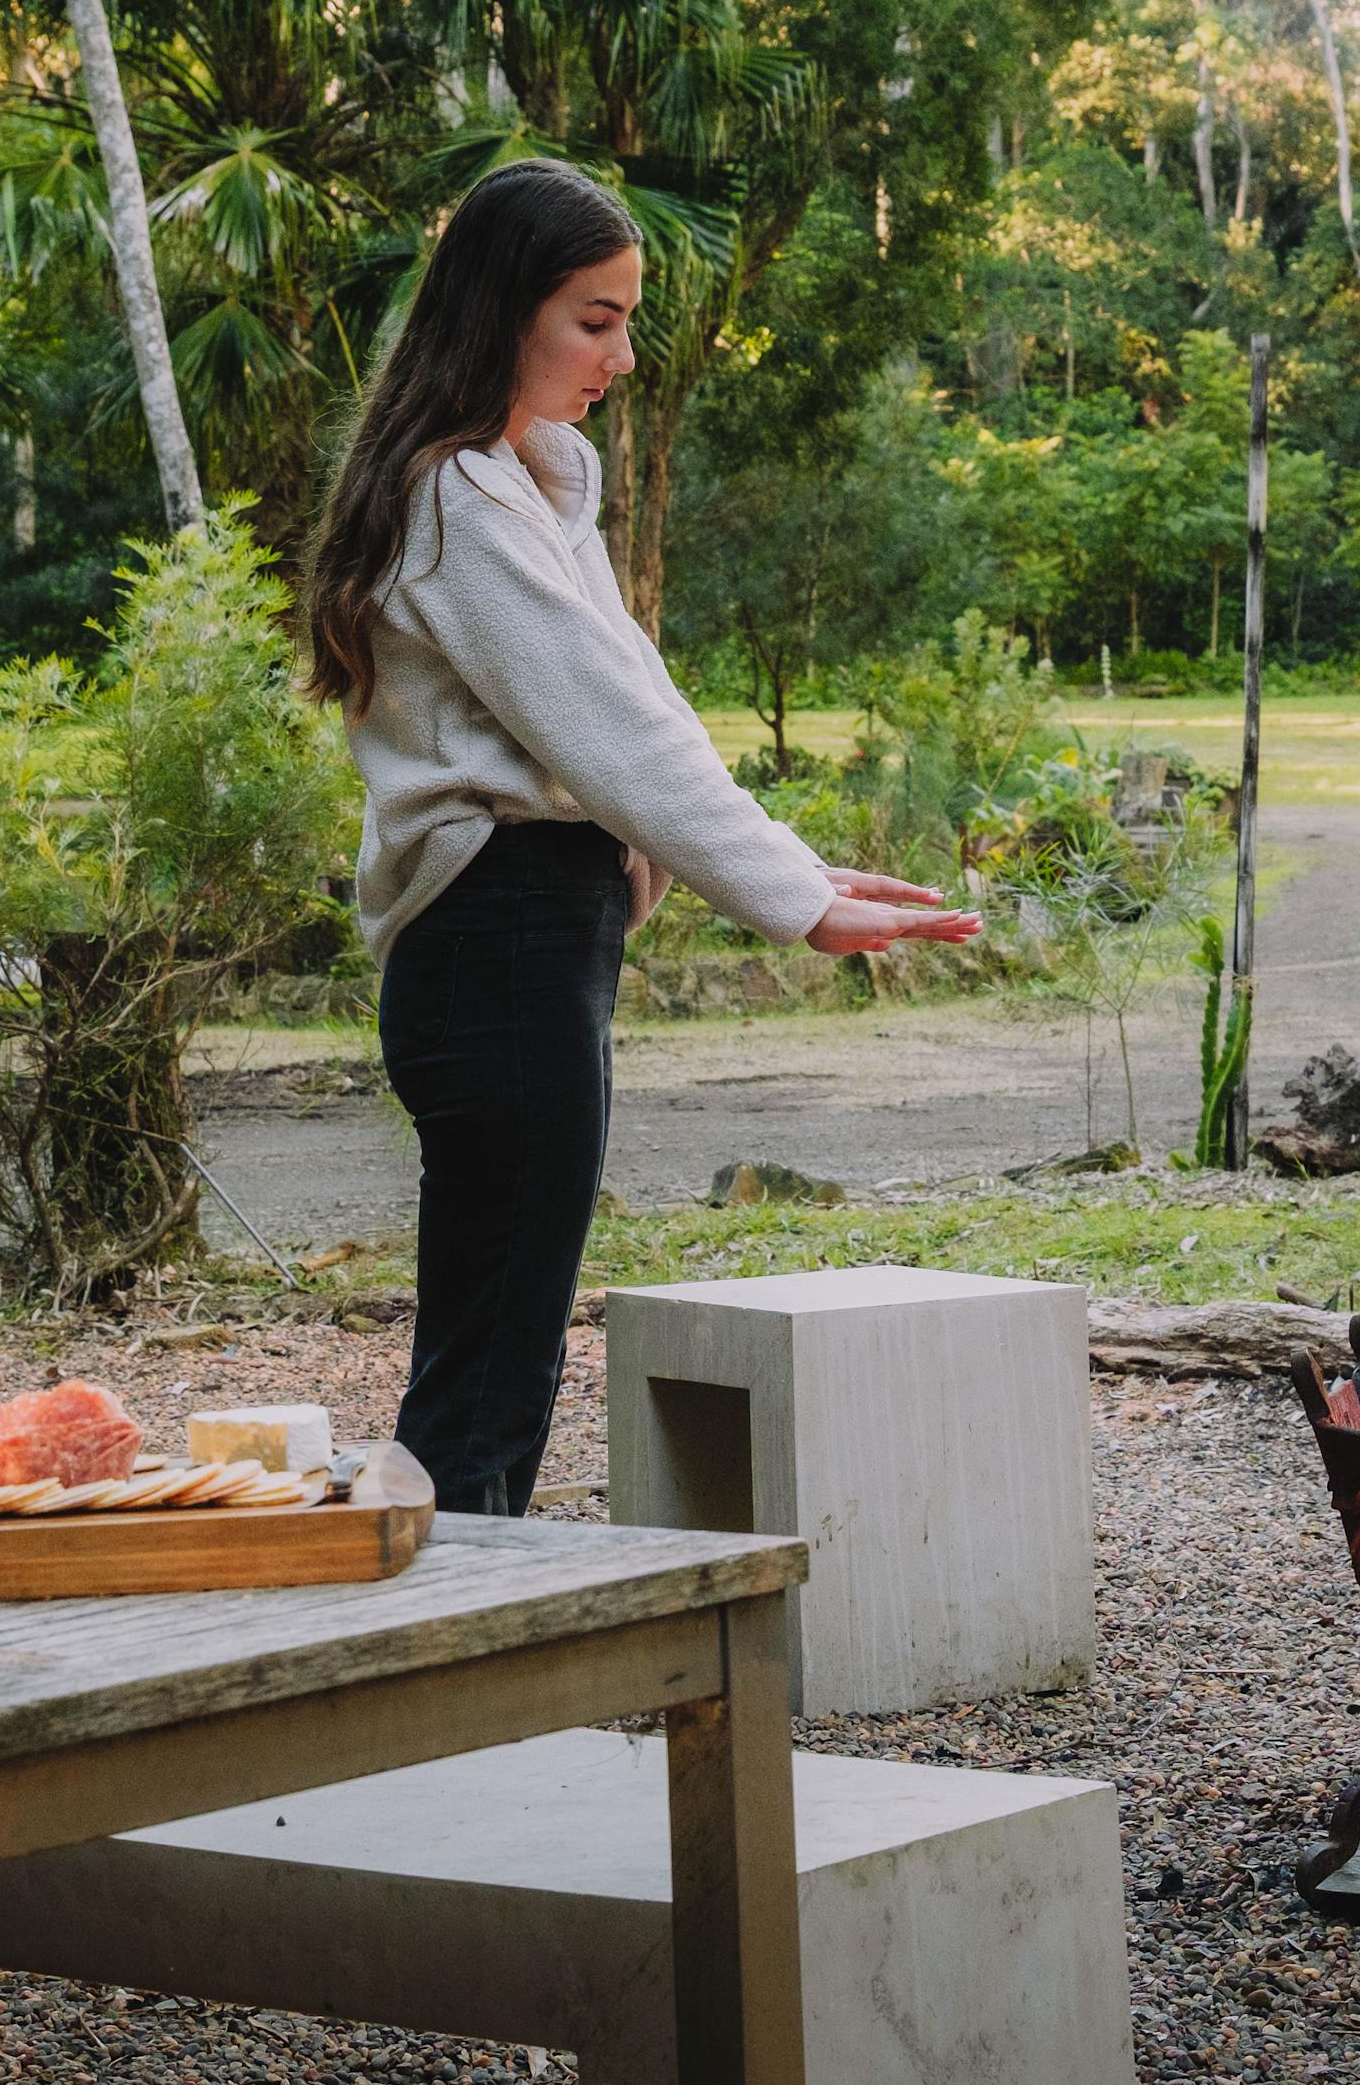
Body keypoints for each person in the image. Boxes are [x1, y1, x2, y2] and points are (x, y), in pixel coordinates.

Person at [300, 159, 978, 1514]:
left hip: (521, 951)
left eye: (625, 319)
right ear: (503, 313)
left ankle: (438, 1660)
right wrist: (794, 901)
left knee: (500, 1360)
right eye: (593, 319)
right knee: (488, 1377)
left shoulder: (517, 492)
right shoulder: (460, 501)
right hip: (498, 949)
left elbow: (636, 719)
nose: (622, 353)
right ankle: (435, 1666)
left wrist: (792, 865)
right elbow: (610, 734)